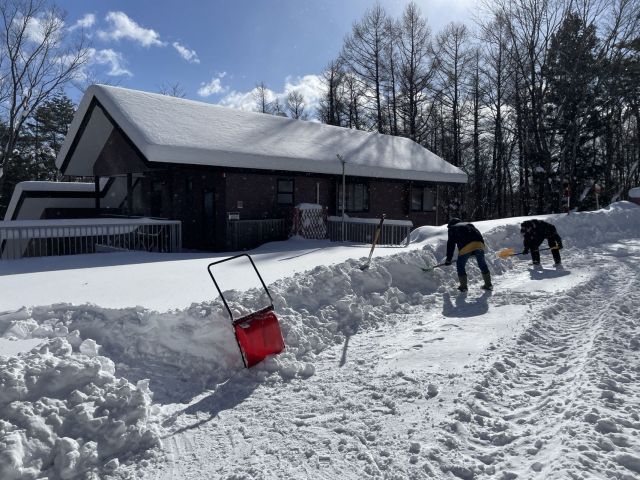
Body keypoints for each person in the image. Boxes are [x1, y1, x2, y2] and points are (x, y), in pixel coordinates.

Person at [445, 218, 492, 292]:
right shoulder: (468, 224)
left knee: (460, 265)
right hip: (480, 244)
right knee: (482, 264)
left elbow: (451, 244)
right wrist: (473, 252)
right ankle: (488, 284)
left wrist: (448, 259)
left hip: (466, 246)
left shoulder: (452, 228)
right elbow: (476, 235)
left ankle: (463, 287)